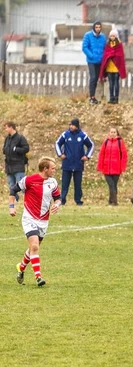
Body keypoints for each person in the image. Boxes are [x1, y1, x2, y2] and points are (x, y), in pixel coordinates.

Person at [10, 157, 61, 287]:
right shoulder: (29, 180)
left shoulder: (53, 182)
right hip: (29, 218)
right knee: (34, 246)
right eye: (53, 168)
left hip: (44, 221)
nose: (54, 170)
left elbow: (57, 197)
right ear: (45, 169)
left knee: (33, 248)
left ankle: (21, 267)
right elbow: (13, 190)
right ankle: (38, 277)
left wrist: (57, 204)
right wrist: (12, 207)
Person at [54, 118, 94, 206]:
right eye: (70, 125)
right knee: (65, 184)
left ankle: (78, 200)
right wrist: (60, 154)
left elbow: (91, 145)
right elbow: (57, 143)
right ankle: (62, 200)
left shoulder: (83, 135)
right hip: (67, 164)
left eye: (72, 125)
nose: (70, 126)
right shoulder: (65, 134)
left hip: (78, 164)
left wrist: (87, 156)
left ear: (76, 126)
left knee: (78, 184)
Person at [96, 127, 128, 206]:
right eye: (111, 132)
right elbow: (101, 154)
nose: (113, 133)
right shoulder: (106, 142)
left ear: (117, 133)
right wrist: (100, 166)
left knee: (114, 185)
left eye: (114, 132)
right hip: (106, 168)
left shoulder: (120, 142)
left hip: (117, 168)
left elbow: (124, 155)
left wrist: (123, 167)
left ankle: (111, 201)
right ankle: (114, 201)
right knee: (111, 185)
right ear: (109, 133)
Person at [3, 122, 29, 202]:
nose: (5, 129)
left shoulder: (20, 138)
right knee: (11, 186)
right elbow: (4, 149)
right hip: (9, 166)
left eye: (6, 127)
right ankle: (16, 201)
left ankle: (28, 200)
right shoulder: (7, 139)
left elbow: (26, 148)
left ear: (11, 127)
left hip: (18, 165)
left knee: (22, 185)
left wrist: (16, 149)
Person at [99, 29, 127, 104]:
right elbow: (105, 55)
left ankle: (116, 98)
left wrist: (112, 55)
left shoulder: (119, 45)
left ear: (116, 36)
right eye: (111, 36)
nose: (112, 37)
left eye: (113, 36)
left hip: (116, 68)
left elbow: (120, 55)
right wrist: (110, 55)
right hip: (109, 67)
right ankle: (111, 98)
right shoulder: (107, 45)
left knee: (116, 83)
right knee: (111, 83)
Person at [82, 21, 107, 105]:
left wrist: (104, 57)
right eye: (96, 27)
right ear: (94, 27)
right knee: (93, 78)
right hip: (91, 60)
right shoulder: (88, 35)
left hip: (100, 61)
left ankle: (94, 97)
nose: (98, 29)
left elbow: (105, 47)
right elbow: (84, 47)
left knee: (96, 78)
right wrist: (91, 55)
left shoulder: (103, 37)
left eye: (99, 27)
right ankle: (91, 97)